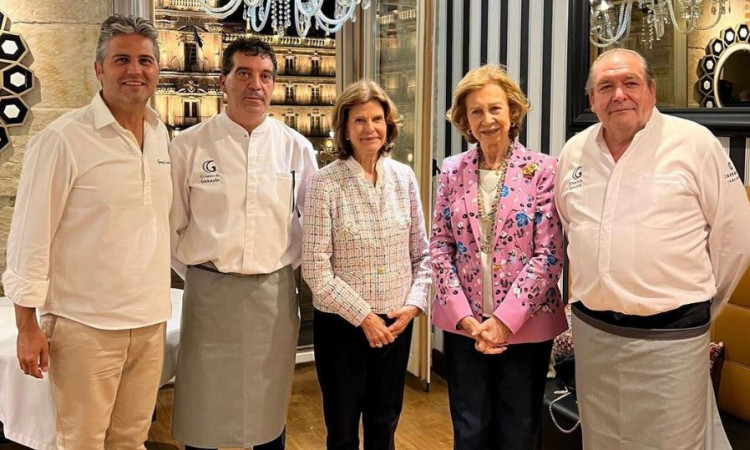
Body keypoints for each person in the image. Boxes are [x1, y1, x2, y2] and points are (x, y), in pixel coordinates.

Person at [555, 48, 750, 449]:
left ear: (651, 90)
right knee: (603, 441)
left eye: (630, 83)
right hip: (594, 336)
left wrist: (697, 305)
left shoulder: (694, 144)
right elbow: (572, 226)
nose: (619, 95)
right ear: (592, 99)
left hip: (671, 340)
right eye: (605, 87)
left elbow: (734, 240)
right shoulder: (574, 152)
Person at [4, 15, 171, 449]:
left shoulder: (161, 136)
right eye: (121, 60)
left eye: (145, 60)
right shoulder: (63, 140)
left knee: (131, 440)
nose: (135, 70)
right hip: (84, 325)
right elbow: (29, 237)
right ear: (99, 69)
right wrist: (27, 325)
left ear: (157, 69)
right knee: (81, 442)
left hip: (150, 320)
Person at [169, 37, 317, 450]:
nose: (256, 85)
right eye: (245, 74)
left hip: (273, 294)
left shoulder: (296, 148)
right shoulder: (188, 146)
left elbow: (312, 223)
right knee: (203, 407)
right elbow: (173, 226)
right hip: (208, 294)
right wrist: (202, 273)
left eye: (265, 76)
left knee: (267, 405)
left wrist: (282, 267)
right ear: (224, 81)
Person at [431, 65, 567, 450]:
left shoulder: (542, 170)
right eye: (476, 111)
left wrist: (504, 322)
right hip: (466, 328)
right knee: (469, 431)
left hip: (526, 326)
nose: (487, 119)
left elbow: (549, 255)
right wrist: (466, 318)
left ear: (512, 112)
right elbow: (439, 247)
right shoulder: (451, 170)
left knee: (518, 432)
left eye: (495, 109)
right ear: (465, 120)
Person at [302, 79, 431, 450]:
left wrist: (413, 306)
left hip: (396, 324)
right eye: (359, 120)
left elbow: (423, 255)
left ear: (388, 125)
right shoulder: (325, 183)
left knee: (384, 423)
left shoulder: (404, 178)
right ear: (344, 128)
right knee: (342, 430)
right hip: (342, 328)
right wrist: (364, 317)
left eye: (377, 119)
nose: (369, 128)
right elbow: (315, 269)